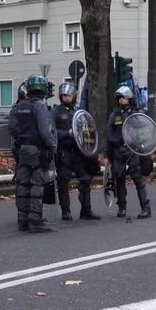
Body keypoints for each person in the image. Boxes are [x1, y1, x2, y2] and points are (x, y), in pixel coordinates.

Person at [8, 74, 57, 232]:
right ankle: (35, 220)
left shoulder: (20, 106)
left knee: (23, 184)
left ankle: (22, 219)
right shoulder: (40, 106)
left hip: (23, 149)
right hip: (37, 150)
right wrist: (52, 146)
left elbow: (13, 127)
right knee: (37, 184)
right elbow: (45, 130)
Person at [51, 82, 101, 220]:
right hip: (64, 152)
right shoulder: (56, 111)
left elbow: (87, 129)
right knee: (63, 181)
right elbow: (52, 132)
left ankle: (86, 210)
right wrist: (67, 133)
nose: (66, 97)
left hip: (79, 152)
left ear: (74, 96)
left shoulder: (78, 112)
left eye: (68, 95)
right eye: (64, 95)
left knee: (85, 179)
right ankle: (65, 211)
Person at [105, 86, 152, 218]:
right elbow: (109, 136)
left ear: (129, 98)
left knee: (138, 179)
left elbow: (146, 132)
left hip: (133, 151)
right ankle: (122, 207)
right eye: (119, 98)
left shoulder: (137, 114)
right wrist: (108, 156)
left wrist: (144, 148)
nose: (121, 100)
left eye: (124, 97)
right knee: (118, 179)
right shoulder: (114, 115)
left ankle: (146, 208)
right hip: (118, 151)